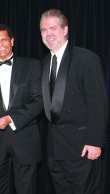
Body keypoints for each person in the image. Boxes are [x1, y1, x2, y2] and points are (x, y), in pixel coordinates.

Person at [39, 9, 108, 194]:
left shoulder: (86, 59)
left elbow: (98, 104)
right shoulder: (45, 62)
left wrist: (95, 142)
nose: (48, 34)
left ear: (65, 29)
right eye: (44, 30)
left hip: (82, 149)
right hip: (55, 151)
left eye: (53, 28)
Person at [0, 24, 43, 194]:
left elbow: (38, 100)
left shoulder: (32, 65)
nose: (0, 44)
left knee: (27, 190)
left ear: (12, 41)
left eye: (4, 39)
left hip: (24, 138)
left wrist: (11, 119)